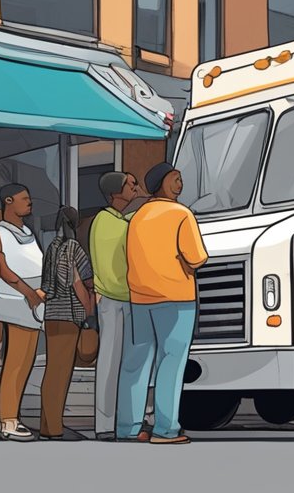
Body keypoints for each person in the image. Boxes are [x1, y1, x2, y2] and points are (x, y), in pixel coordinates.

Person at [117, 162, 208, 445]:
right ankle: (166, 429)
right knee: (171, 363)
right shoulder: (181, 214)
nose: (180, 185)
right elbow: (196, 258)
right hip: (176, 297)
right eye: (176, 179)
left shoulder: (137, 216)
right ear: (162, 183)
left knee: (135, 362)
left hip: (140, 298)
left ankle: (128, 428)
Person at [88, 171, 143, 441]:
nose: (135, 187)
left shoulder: (120, 220)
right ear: (115, 193)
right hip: (115, 299)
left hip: (124, 298)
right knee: (111, 362)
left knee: (129, 362)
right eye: (130, 184)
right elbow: (112, 266)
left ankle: (121, 421)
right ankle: (106, 424)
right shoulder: (107, 221)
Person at [0, 184, 45, 441]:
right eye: (25, 199)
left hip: (34, 300)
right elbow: (4, 268)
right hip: (15, 298)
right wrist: (29, 292)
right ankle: (8, 420)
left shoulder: (28, 231)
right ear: (9, 201)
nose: (30, 202)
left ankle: (0, 409)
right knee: (16, 362)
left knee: (26, 361)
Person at [40, 206, 96, 440]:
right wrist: (90, 308)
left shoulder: (52, 247)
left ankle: (48, 425)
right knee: (60, 375)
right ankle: (54, 428)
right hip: (69, 315)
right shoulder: (74, 248)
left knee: (52, 371)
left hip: (52, 314)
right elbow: (79, 282)